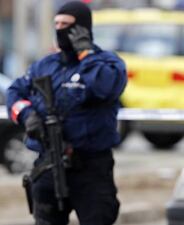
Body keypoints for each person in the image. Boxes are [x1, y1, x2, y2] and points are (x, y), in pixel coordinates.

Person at [6, 1, 127, 224]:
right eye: (57, 24)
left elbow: (103, 87)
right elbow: (14, 92)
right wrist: (27, 115)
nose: (60, 29)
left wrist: (86, 55)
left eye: (66, 25)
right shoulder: (45, 66)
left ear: (82, 29)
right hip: (48, 163)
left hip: (90, 168)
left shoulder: (107, 64)